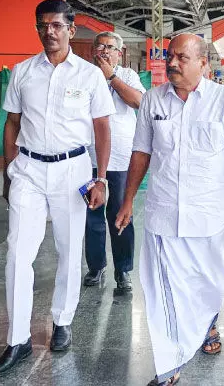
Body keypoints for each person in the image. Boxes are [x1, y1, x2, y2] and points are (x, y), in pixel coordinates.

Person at [115, 34, 224, 386]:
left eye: (181, 57)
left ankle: (206, 323)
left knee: (209, 285)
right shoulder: (152, 100)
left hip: (208, 215)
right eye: (170, 57)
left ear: (203, 64)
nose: (173, 63)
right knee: (163, 291)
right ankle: (169, 366)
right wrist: (129, 200)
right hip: (164, 214)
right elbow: (141, 153)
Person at [0, 0, 114, 378]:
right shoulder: (23, 72)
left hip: (72, 171)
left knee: (68, 249)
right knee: (16, 254)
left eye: (57, 25)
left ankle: (62, 320)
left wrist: (101, 178)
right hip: (28, 169)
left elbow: (102, 128)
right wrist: (10, 173)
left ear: (71, 30)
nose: (49, 32)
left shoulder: (90, 76)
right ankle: (18, 339)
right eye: (43, 25)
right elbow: (11, 124)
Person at [83, 31, 145, 291]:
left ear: (120, 53)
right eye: (100, 46)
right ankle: (96, 267)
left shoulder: (128, 76)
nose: (104, 51)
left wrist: (111, 76)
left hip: (121, 159)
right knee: (91, 215)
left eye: (110, 47)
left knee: (120, 215)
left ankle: (123, 270)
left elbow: (138, 101)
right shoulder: (83, 75)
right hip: (87, 158)